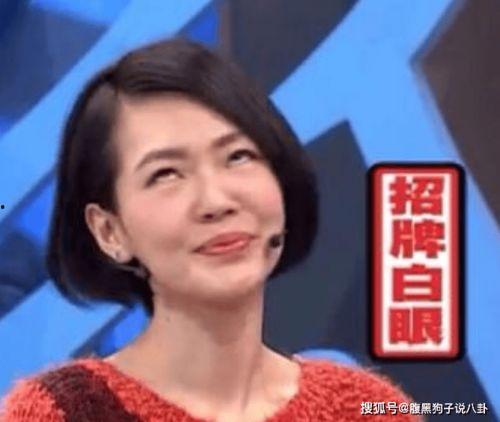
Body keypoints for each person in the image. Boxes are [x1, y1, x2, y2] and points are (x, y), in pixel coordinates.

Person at [1, 38, 420, 421]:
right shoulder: (62, 413)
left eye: (238, 157)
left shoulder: (364, 408)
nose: (216, 201)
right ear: (110, 231)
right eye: (166, 174)